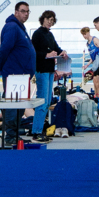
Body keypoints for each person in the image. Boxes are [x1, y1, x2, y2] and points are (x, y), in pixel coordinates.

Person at [0, 1, 36, 146]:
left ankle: (15, 135)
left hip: (21, 76)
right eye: (23, 11)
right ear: (16, 12)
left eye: (28, 11)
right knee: (13, 107)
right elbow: (4, 48)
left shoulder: (20, 28)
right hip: (13, 75)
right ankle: (10, 137)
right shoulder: (12, 27)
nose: (26, 14)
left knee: (19, 107)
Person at [31, 10, 69, 140]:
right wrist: (46, 55)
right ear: (43, 19)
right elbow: (33, 52)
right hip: (41, 70)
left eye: (52, 20)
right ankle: (36, 131)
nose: (50, 22)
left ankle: (39, 129)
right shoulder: (37, 34)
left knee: (47, 102)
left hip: (50, 71)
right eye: (48, 19)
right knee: (42, 102)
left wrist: (62, 52)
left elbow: (56, 48)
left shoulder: (50, 34)